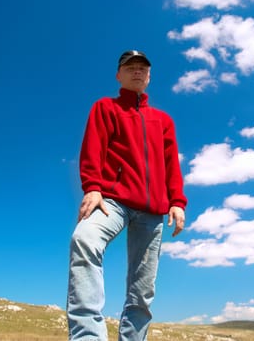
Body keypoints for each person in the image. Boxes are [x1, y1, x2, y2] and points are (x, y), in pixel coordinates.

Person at [66, 50, 187, 341]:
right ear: (119, 75)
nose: (137, 72)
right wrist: (92, 187)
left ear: (149, 76)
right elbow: (93, 147)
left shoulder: (163, 121)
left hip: (153, 211)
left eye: (142, 68)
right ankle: (87, 337)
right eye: (130, 67)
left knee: (142, 289)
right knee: (84, 239)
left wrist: (177, 202)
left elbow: (172, 164)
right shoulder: (105, 107)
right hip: (112, 201)